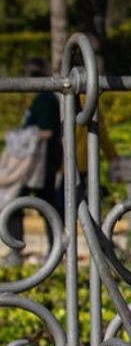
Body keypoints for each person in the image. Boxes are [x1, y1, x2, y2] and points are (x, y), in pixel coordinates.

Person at [2, 58, 64, 267]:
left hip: (38, 166)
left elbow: (47, 132)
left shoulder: (45, 99)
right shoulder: (46, 98)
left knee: (20, 205)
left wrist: (23, 136)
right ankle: (55, 250)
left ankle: (20, 252)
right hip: (40, 164)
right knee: (45, 206)